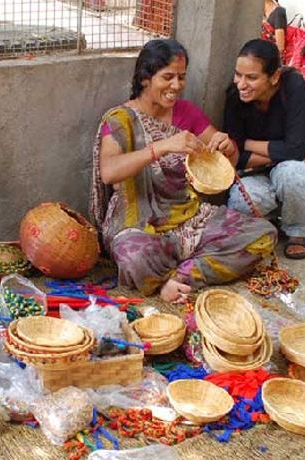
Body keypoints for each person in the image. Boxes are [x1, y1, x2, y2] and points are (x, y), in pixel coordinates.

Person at [90, 39, 277, 303]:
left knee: (262, 236)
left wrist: (227, 146)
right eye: (167, 77)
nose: (176, 86)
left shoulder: (187, 112)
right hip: (139, 225)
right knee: (132, 256)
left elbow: (228, 160)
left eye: (181, 77)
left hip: (190, 218)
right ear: (145, 78)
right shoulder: (120, 120)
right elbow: (109, 172)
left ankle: (178, 278)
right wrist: (162, 147)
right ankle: (169, 271)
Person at [224, 39, 305, 260]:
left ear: (274, 77)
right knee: (238, 201)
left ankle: (299, 231)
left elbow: (294, 153)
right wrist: (284, 151)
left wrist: (247, 143)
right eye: (238, 75)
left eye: (251, 77)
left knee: (291, 173)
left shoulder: (294, 86)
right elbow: (236, 156)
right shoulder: (235, 94)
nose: (241, 84)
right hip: (260, 171)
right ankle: (274, 217)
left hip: (301, 169)